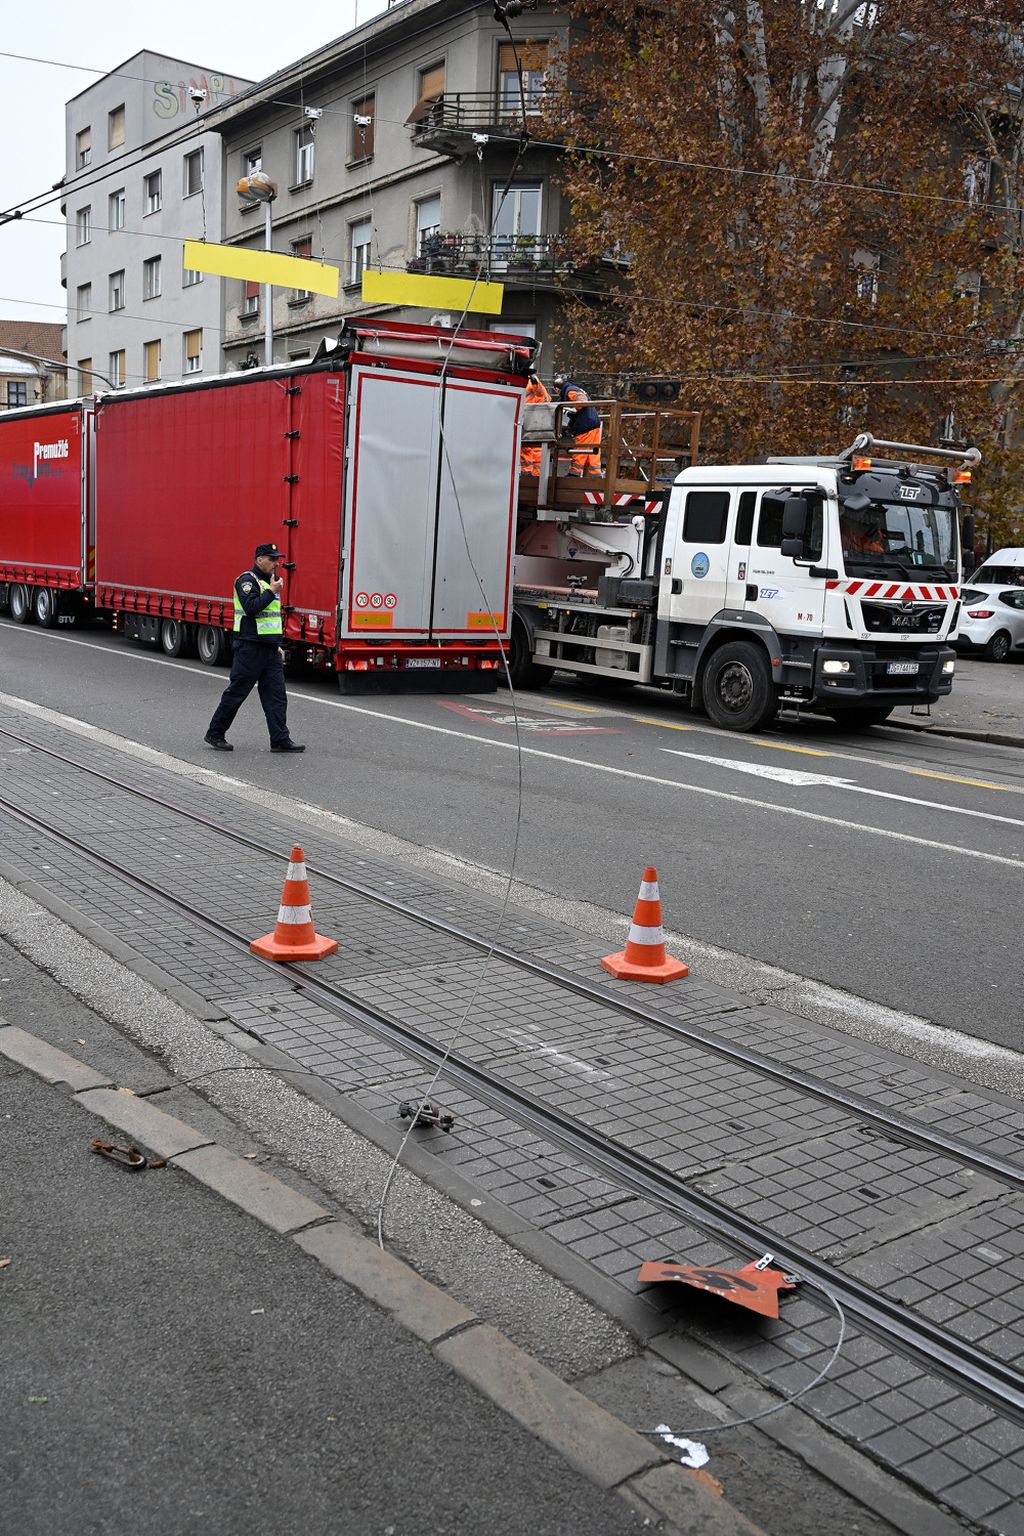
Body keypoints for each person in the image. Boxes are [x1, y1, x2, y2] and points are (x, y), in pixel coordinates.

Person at [205, 543, 305, 753]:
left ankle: (279, 739)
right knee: (237, 693)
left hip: (269, 650)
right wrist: (272, 591)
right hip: (250, 649)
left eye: (277, 559)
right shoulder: (247, 580)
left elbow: (270, 619)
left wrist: (276, 644)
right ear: (259, 559)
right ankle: (215, 733)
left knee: (276, 697)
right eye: (271, 559)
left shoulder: (269, 582)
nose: (276, 563)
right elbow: (250, 608)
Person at [553, 374, 602, 476]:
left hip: (585, 426)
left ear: (557, 389)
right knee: (593, 456)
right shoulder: (572, 388)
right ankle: (596, 479)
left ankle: (573, 475)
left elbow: (581, 401)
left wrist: (570, 411)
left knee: (580, 451)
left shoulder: (569, 390)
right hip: (593, 424)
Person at [519, 370, 550, 476]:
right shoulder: (533, 384)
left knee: (527, 446)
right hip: (537, 419)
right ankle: (535, 473)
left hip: (530, 418)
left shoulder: (531, 383)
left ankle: (527, 471)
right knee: (536, 449)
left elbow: (539, 391)